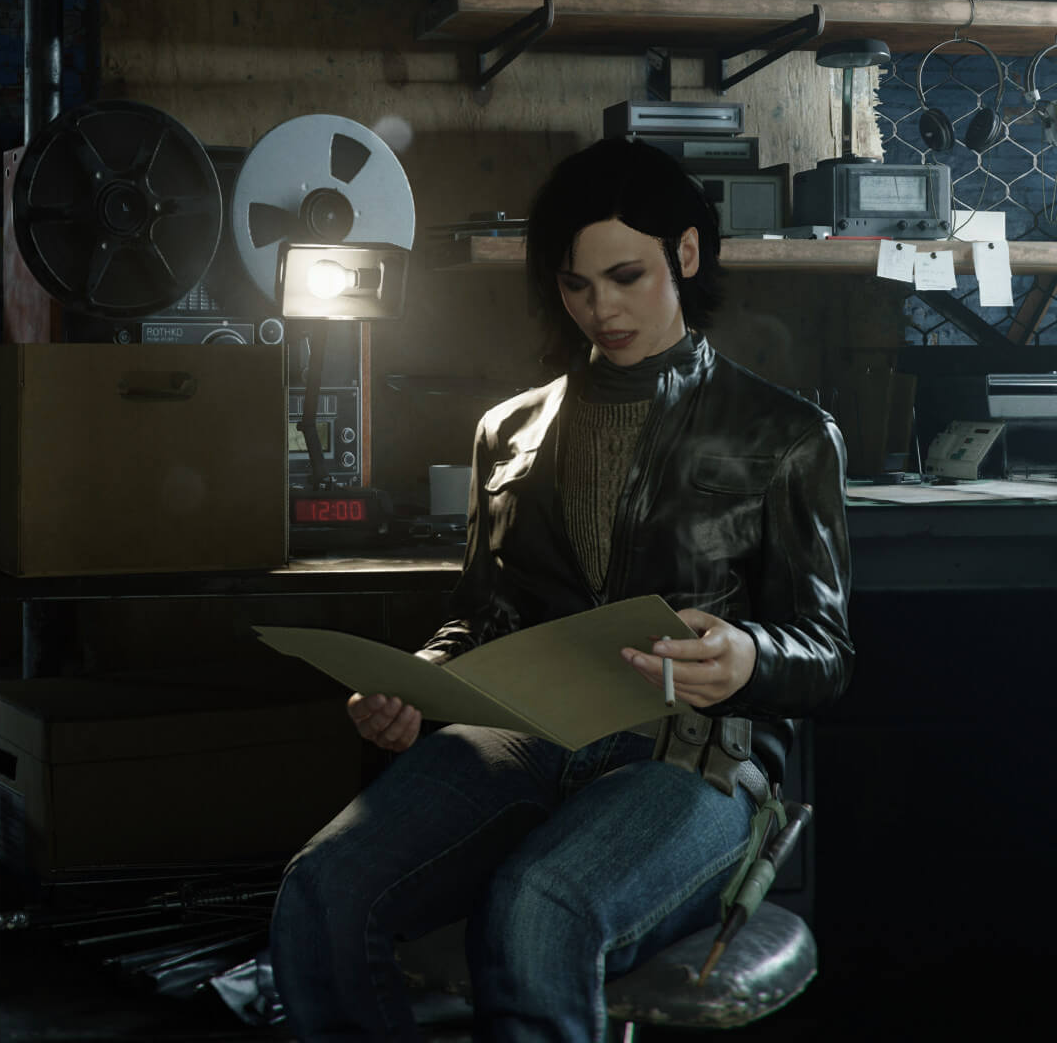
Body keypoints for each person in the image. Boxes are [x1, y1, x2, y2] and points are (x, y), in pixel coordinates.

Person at [268, 138, 855, 1043]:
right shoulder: (507, 430)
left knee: (537, 906)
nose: (600, 308)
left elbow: (827, 652)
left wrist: (748, 655)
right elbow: (480, 615)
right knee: (322, 890)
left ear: (686, 254)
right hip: (520, 737)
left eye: (625, 277)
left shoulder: (788, 434)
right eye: (576, 285)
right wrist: (417, 683)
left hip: (692, 756)